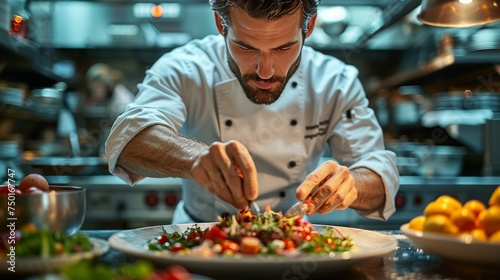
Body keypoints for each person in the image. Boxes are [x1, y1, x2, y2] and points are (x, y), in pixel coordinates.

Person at [105, 0, 399, 224]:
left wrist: (351, 184)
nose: (265, 71)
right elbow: (128, 140)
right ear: (221, 25)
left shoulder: (335, 81)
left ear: (307, 28)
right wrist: (196, 158)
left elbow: (379, 174)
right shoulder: (185, 67)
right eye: (246, 47)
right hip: (201, 247)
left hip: (295, 247)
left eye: (284, 48)